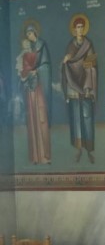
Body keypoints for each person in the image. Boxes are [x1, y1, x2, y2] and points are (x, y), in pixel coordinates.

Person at [62, 15, 98, 164]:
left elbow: (92, 64)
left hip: (86, 86)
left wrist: (88, 83)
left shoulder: (88, 44)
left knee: (87, 117)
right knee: (76, 118)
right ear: (74, 29)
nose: (80, 29)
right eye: (78, 27)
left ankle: (89, 150)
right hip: (74, 87)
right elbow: (68, 63)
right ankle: (78, 150)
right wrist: (67, 60)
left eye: (82, 27)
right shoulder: (71, 45)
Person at [17, 36, 51, 165]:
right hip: (30, 91)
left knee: (42, 119)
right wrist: (28, 73)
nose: (27, 45)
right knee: (32, 120)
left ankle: (45, 156)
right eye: (24, 44)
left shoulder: (37, 53)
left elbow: (42, 66)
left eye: (28, 43)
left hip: (38, 89)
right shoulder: (25, 56)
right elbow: (24, 72)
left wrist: (37, 71)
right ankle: (36, 157)